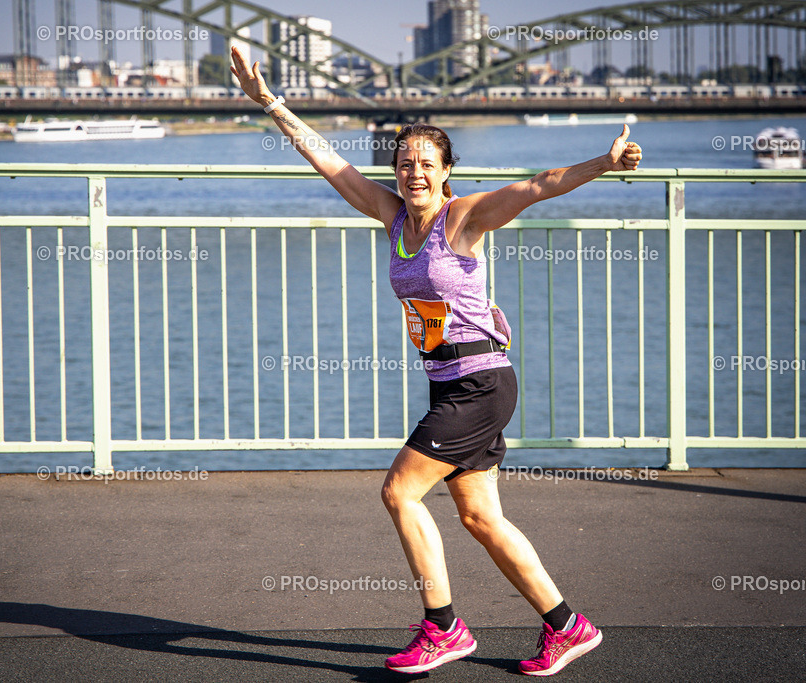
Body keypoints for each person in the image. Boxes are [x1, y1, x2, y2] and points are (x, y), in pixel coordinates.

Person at [230, 48, 642, 677]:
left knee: (399, 491)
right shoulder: (392, 216)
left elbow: (536, 186)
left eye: (425, 164)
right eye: (403, 165)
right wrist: (271, 104)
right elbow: (331, 163)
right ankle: (567, 626)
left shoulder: (465, 217)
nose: (413, 174)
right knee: (479, 516)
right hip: (449, 383)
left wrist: (603, 165)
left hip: (479, 385)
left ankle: (443, 627)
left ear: (448, 171)